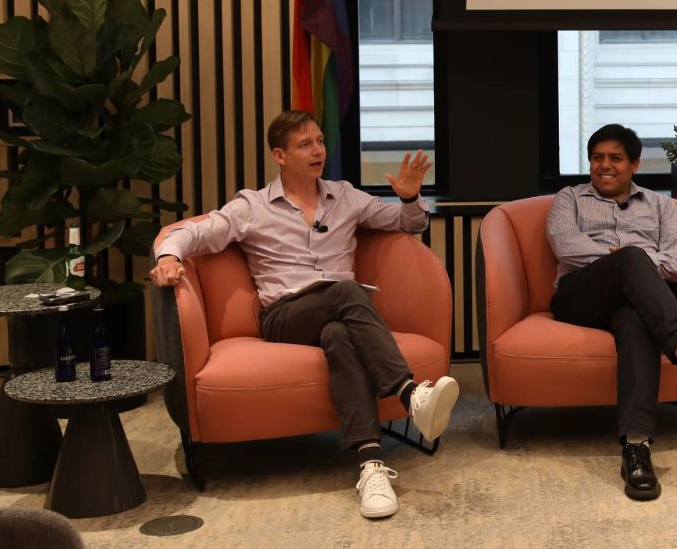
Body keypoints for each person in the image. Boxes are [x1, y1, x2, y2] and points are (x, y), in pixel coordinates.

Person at [150, 110, 459, 519]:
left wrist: (408, 196)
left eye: (319, 141)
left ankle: (370, 466)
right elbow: (195, 231)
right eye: (305, 144)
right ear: (279, 155)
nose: (318, 150)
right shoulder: (253, 206)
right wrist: (169, 255)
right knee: (347, 291)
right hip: (284, 316)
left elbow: (407, 223)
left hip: (338, 314)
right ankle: (408, 392)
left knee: (339, 336)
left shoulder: (346, 196)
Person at [546, 124, 677, 501]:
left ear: (634, 164)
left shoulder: (660, 205)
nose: (604, 166)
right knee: (632, 259)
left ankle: (636, 448)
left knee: (635, 317)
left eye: (615, 159)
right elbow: (568, 249)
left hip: (635, 302)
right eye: (597, 158)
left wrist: (633, 269)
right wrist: (625, 263)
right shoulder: (569, 198)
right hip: (580, 297)